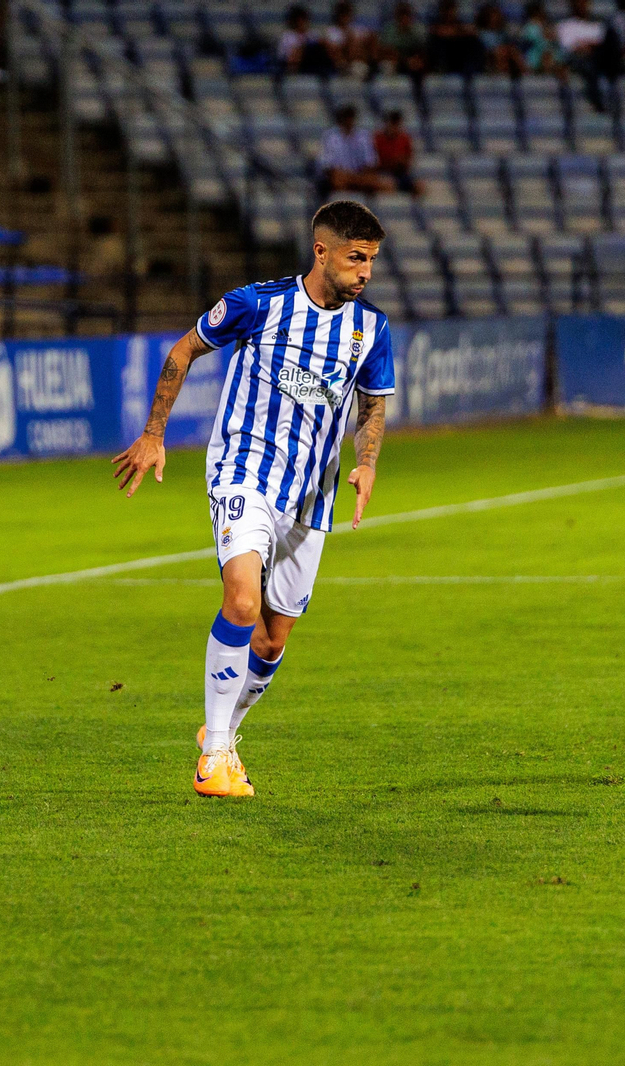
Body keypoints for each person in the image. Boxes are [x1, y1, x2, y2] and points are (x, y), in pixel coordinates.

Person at [111, 201, 395, 798]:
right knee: (240, 599)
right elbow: (183, 350)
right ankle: (213, 757)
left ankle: (223, 734)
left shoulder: (371, 330)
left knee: (271, 640)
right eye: (356, 258)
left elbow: (373, 402)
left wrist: (367, 465)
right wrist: (155, 433)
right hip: (245, 472)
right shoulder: (258, 304)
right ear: (322, 252)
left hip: (312, 496)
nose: (366, 271)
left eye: (371, 260)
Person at [556, 0, 621, 108]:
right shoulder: (566, 26)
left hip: (599, 56)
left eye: (584, 2)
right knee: (589, 63)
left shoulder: (596, 25)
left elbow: (603, 44)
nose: (581, 5)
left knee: (612, 37)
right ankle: (598, 99)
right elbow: (568, 48)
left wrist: (590, 45)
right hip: (578, 59)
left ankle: (614, 85)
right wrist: (588, 46)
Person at [319, 104, 394, 194]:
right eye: (346, 117)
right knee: (338, 180)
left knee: (388, 184)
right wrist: (348, 176)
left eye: (351, 117)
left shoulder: (363, 136)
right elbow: (328, 166)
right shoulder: (330, 136)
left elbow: (371, 163)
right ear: (341, 119)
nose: (349, 120)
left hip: (360, 176)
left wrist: (358, 177)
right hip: (341, 176)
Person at [428, 0, 484, 75]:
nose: (449, 13)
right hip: (445, 52)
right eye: (447, 10)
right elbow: (438, 31)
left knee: (473, 41)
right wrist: (456, 31)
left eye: (452, 10)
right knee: (437, 42)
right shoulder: (436, 22)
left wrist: (455, 32)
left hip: (459, 51)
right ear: (442, 11)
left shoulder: (459, 22)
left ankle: (474, 69)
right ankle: (440, 68)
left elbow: (472, 31)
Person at [324, 0, 378, 74]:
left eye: (347, 14)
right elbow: (334, 50)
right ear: (338, 15)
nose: (345, 17)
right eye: (343, 14)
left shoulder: (357, 29)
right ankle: (345, 68)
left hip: (359, 61)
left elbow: (371, 39)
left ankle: (373, 65)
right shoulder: (331, 31)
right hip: (341, 62)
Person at [278, 5, 335, 75]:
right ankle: (292, 75)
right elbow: (284, 56)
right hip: (295, 63)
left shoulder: (313, 34)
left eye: (303, 19)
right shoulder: (287, 36)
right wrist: (303, 47)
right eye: (298, 20)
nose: (301, 22)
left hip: (314, 61)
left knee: (326, 44)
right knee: (300, 50)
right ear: (294, 21)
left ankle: (340, 68)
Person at [378, 0, 430, 76]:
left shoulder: (418, 30)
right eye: (401, 15)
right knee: (387, 64)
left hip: (413, 60)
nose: (404, 18)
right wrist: (404, 60)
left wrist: (415, 59)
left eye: (407, 15)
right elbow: (386, 50)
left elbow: (422, 49)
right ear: (396, 16)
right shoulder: (389, 30)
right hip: (396, 60)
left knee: (419, 64)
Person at [373, 109, 419, 194]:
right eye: (393, 123)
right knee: (388, 186)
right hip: (383, 172)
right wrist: (391, 161)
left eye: (397, 124)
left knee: (419, 188)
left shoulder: (405, 138)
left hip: (400, 173)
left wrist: (401, 162)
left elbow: (408, 159)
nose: (395, 127)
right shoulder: (377, 139)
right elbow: (374, 161)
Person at [517, 0, 568, 76]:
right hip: (536, 56)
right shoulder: (529, 28)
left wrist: (550, 35)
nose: (540, 14)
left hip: (551, 54)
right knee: (546, 56)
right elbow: (529, 42)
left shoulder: (548, 26)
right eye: (537, 13)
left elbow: (555, 41)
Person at [475, 0, 522, 74]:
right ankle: (499, 73)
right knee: (501, 52)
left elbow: (507, 44)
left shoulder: (502, 33)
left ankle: (524, 73)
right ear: (487, 17)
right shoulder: (481, 33)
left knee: (512, 50)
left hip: (503, 53)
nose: (496, 18)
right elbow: (483, 48)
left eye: (497, 16)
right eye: (493, 16)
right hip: (488, 55)